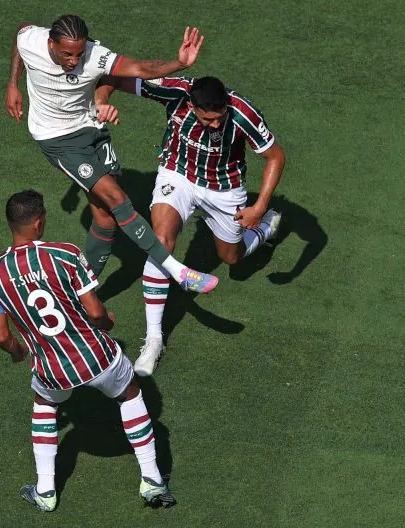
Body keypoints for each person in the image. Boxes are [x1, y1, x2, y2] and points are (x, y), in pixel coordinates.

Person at [0, 189, 176, 511]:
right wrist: (108, 322)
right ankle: (152, 480)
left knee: (44, 404)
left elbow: (2, 337)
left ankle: (45, 492)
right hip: (97, 357)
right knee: (130, 394)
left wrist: (17, 352)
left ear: (11, 224)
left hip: (50, 368)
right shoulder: (65, 255)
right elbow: (96, 313)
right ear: (39, 222)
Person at [5, 14, 217, 294]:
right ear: (50, 43)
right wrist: (13, 83)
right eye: (67, 54)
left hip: (92, 128)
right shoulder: (31, 40)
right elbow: (20, 33)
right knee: (118, 199)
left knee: (105, 219)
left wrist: (178, 63)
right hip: (57, 138)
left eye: (79, 53)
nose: (74, 61)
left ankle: (78, 294)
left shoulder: (94, 56)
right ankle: (178, 271)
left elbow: (138, 68)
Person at [95, 75, 286, 376]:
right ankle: (154, 339)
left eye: (219, 118)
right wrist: (101, 101)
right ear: (192, 105)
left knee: (231, 258)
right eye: (207, 119)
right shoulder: (175, 92)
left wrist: (259, 208)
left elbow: (275, 156)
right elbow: (115, 77)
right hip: (178, 176)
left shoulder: (243, 114)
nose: (214, 125)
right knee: (160, 241)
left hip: (224, 189)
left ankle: (264, 229)